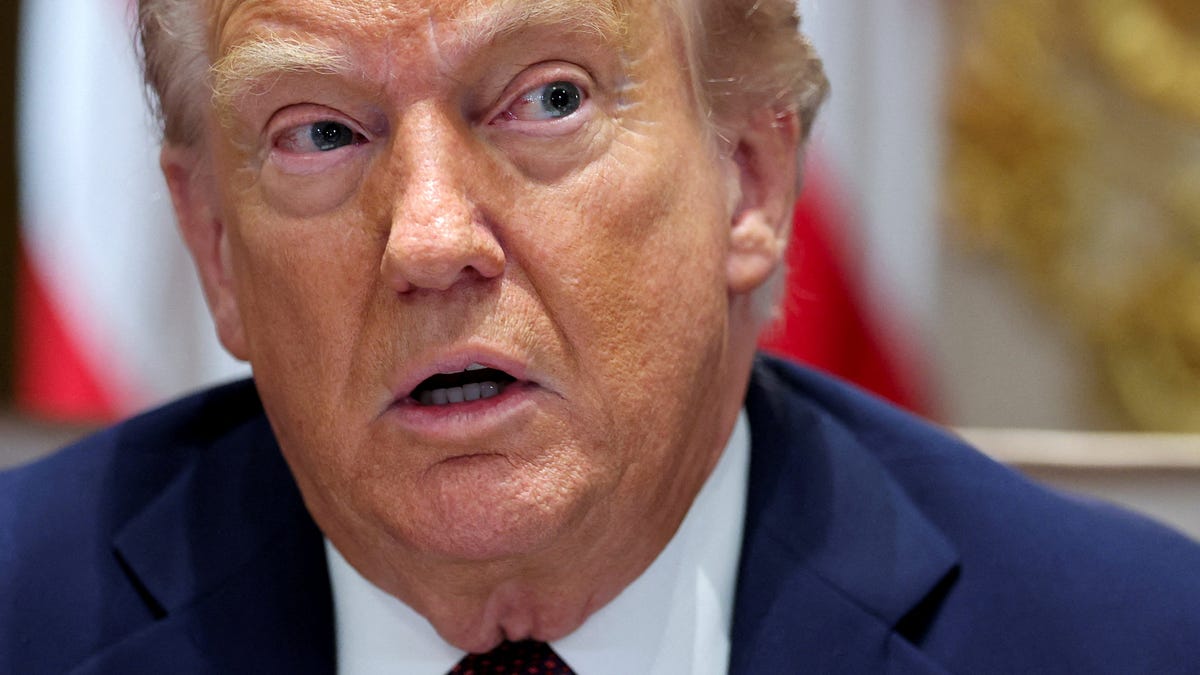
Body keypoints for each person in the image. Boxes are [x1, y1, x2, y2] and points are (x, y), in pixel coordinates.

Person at [3, 0, 1200, 672]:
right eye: (320, 132)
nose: (425, 239)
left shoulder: (1129, 646)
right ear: (214, 247)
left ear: (749, 181)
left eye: (550, 99)